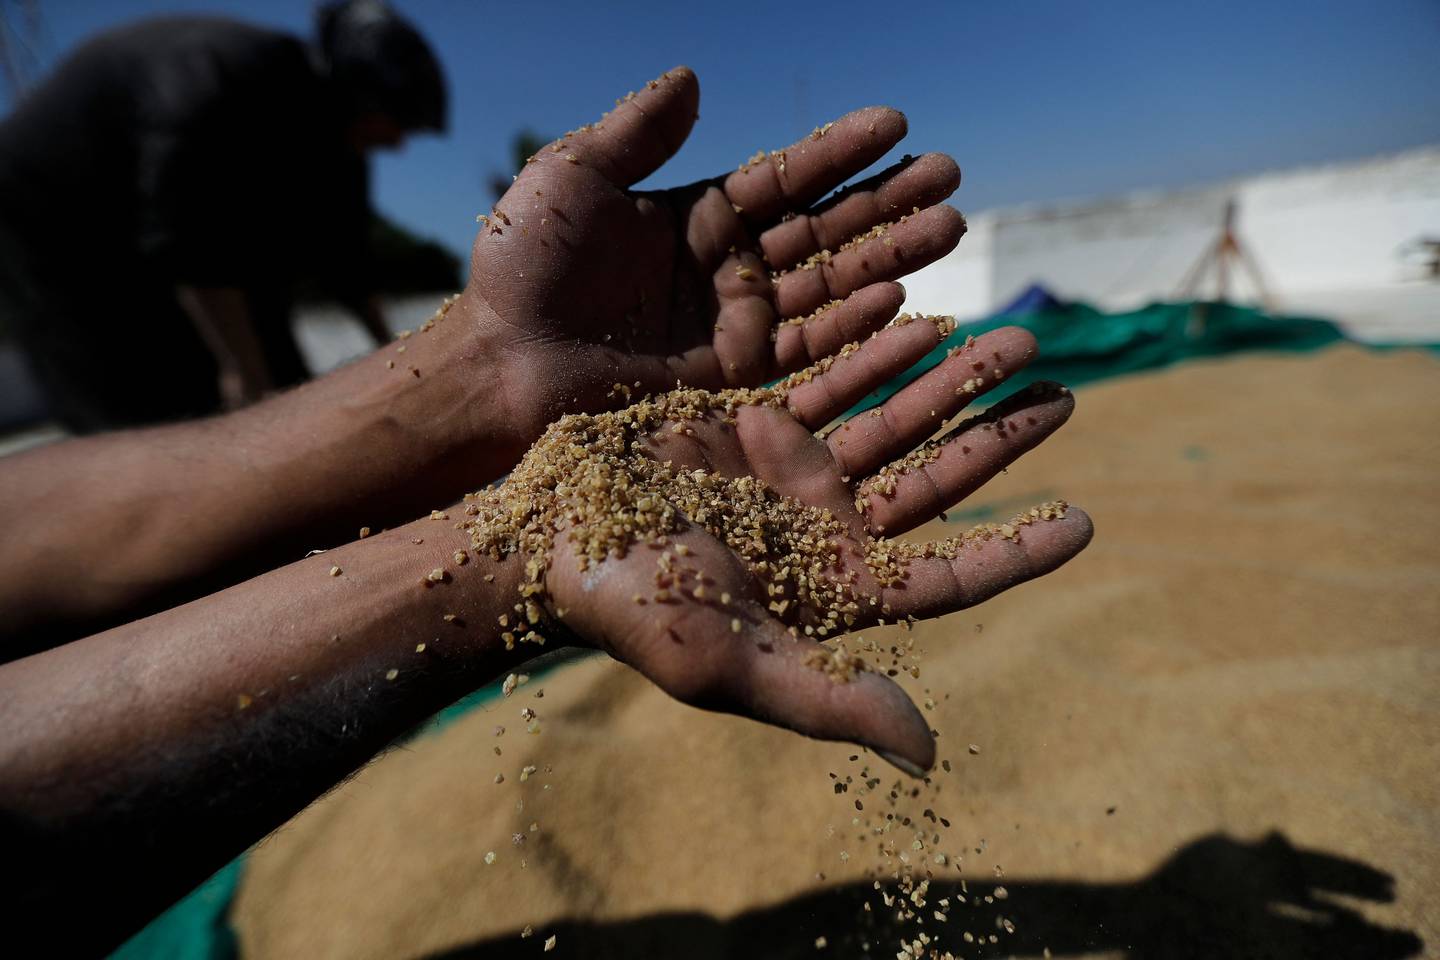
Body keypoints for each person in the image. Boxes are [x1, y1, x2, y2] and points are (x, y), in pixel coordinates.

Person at [0, 69, 1091, 955]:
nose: (389, 147)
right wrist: (511, 555)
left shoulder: (264, 114)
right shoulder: (205, 103)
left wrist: (478, 368)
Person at [0, 0, 445, 431]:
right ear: (359, 91)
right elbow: (189, 238)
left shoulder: (341, 148)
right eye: (397, 122)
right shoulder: (219, 75)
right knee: (149, 405)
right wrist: (242, 371)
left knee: (284, 386)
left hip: (179, 229)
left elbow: (347, 260)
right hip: (58, 212)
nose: (398, 144)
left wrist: (401, 361)